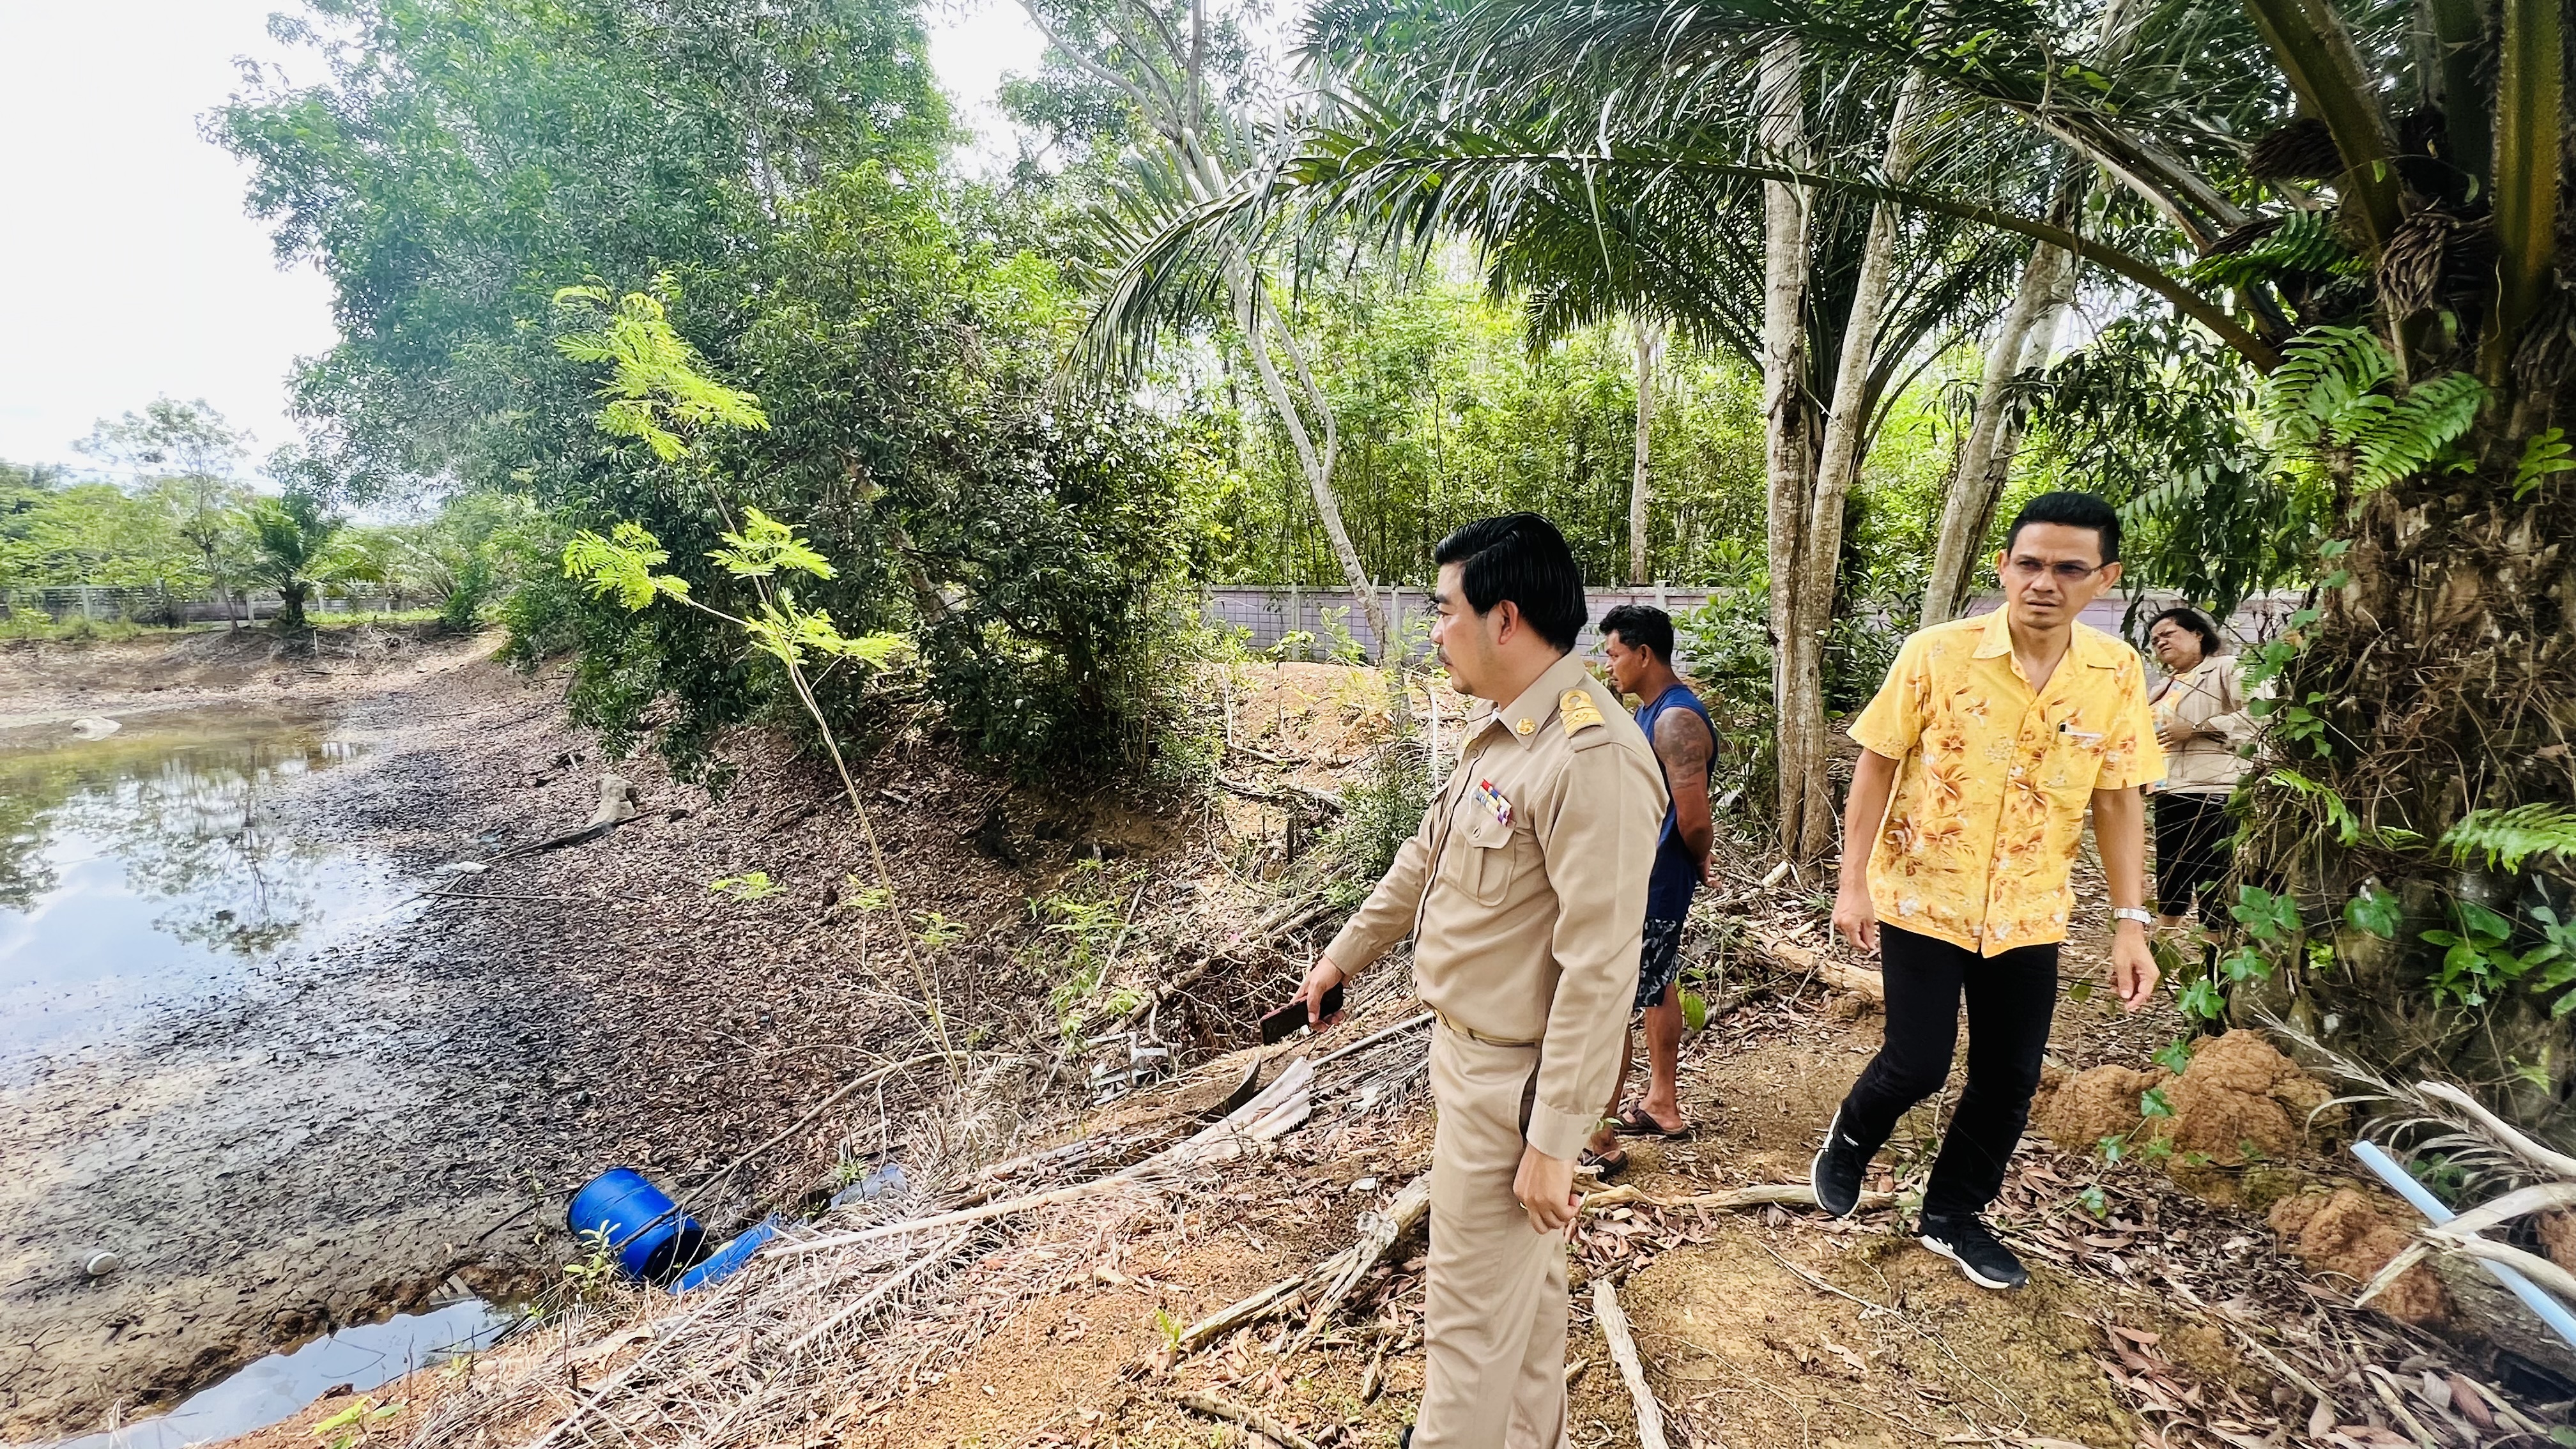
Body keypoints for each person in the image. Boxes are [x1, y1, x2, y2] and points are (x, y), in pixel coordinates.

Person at [1292, 513, 1666, 1448]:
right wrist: (1343, 957)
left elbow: (1600, 969)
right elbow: (1423, 859)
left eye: (1442, 610)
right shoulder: (1505, 737)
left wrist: (1553, 1139)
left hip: (1516, 1089)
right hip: (1465, 1065)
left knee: (1464, 1326)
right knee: (1525, 1312)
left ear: (1505, 619)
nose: (1434, 629)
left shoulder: (1593, 757)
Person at [1810, 491, 2165, 1292]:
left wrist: (2130, 923)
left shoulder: (2115, 674)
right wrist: (1853, 882)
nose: (2045, 582)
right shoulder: (1937, 654)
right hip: (1923, 896)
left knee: (2009, 1077)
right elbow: (1876, 762)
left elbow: (2117, 798)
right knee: (1919, 1062)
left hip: (2029, 911)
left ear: (2103, 578)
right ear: (2002, 566)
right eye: (2030, 563)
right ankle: (1852, 1138)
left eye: (2069, 569)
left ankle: (1954, 1214)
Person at [1582, 604, 1715, 1178]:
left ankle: (1600, 1137)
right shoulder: (1651, 713)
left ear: (1643, 654)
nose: (1609, 665)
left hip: (1654, 883)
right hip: (1650, 878)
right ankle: (1663, 1105)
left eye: (1614, 655)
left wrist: (1702, 854)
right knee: (1657, 988)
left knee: (1612, 1002)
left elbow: (1694, 818)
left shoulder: (1673, 721)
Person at [2142, 606, 2251, 931]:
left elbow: (2260, 714)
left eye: (2169, 634)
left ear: (2197, 634)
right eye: (2155, 639)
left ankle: (2216, 960)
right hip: (2170, 789)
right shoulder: (2161, 688)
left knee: (2213, 879)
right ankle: (2162, 950)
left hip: (2215, 788)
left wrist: (2198, 727)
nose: (2160, 642)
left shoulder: (2226, 668)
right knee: (2171, 876)